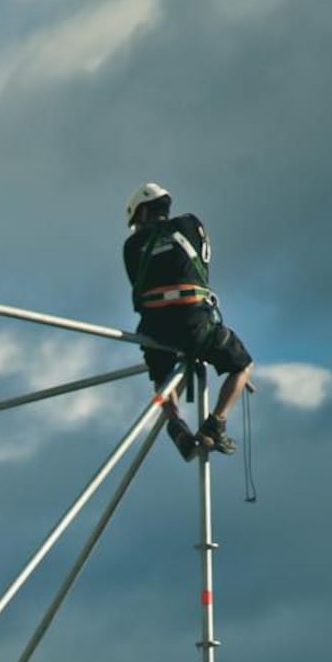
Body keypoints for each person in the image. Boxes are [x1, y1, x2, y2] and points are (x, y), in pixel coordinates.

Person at [123, 183, 253, 461]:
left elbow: (138, 284)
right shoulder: (190, 226)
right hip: (196, 323)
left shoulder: (132, 246)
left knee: (162, 379)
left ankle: (175, 425)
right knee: (242, 366)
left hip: (155, 329)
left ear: (143, 213)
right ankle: (215, 424)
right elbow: (203, 265)